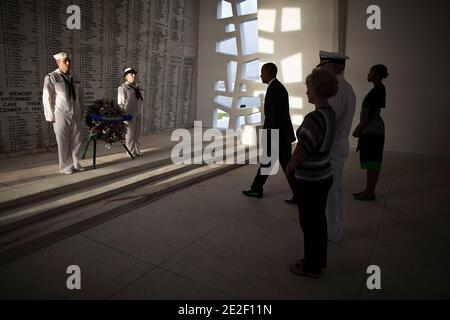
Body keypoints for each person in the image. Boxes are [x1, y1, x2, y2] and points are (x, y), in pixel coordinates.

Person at [286, 68, 338, 279]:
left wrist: (290, 167)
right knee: (318, 221)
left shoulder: (314, 118)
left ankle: (311, 267)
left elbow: (302, 150)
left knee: (309, 223)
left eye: (308, 88)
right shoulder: (331, 113)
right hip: (324, 174)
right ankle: (317, 261)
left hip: (311, 179)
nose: (306, 92)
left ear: (317, 89)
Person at [242, 62, 296, 203]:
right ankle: (257, 188)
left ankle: (257, 189)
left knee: (280, 164)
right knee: (279, 164)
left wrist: (269, 136)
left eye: (262, 72)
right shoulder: (277, 87)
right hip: (281, 134)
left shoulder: (274, 89)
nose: (260, 75)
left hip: (276, 135)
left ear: (267, 72)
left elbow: (273, 116)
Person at [317, 51, 356, 242]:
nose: (322, 70)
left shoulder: (335, 90)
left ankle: (332, 231)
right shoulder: (347, 87)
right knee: (335, 189)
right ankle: (334, 228)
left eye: (323, 66)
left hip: (331, 147)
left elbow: (327, 123)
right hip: (339, 145)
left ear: (332, 66)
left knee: (330, 191)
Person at [42, 52, 85, 175]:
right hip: (60, 113)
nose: (68, 63)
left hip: (75, 112)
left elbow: (80, 95)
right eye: (65, 61)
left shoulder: (75, 77)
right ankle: (66, 165)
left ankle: (76, 162)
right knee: (63, 141)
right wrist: (50, 115)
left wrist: (81, 110)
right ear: (58, 62)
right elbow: (47, 97)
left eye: (69, 60)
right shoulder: (52, 77)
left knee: (77, 140)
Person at [352, 64, 389, 200]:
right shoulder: (377, 89)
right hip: (372, 129)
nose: (367, 74)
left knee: (373, 161)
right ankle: (369, 190)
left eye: (370, 72)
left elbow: (371, 114)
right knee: (371, 161)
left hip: (373, 130)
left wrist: (359, 127)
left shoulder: (378, 90)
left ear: (377, 75)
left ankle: (370, 192)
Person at [118, 67, 143, 157]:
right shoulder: (123, 88)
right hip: (128, 114)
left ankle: (137, 149)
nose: (133, 75)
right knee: (130, 134)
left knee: (137, 133)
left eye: (134, 74)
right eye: (131, 74)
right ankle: (130, 151)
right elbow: (120, 103)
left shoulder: (138, 87)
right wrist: (123, 116)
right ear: (125, 77)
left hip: (138, 113)